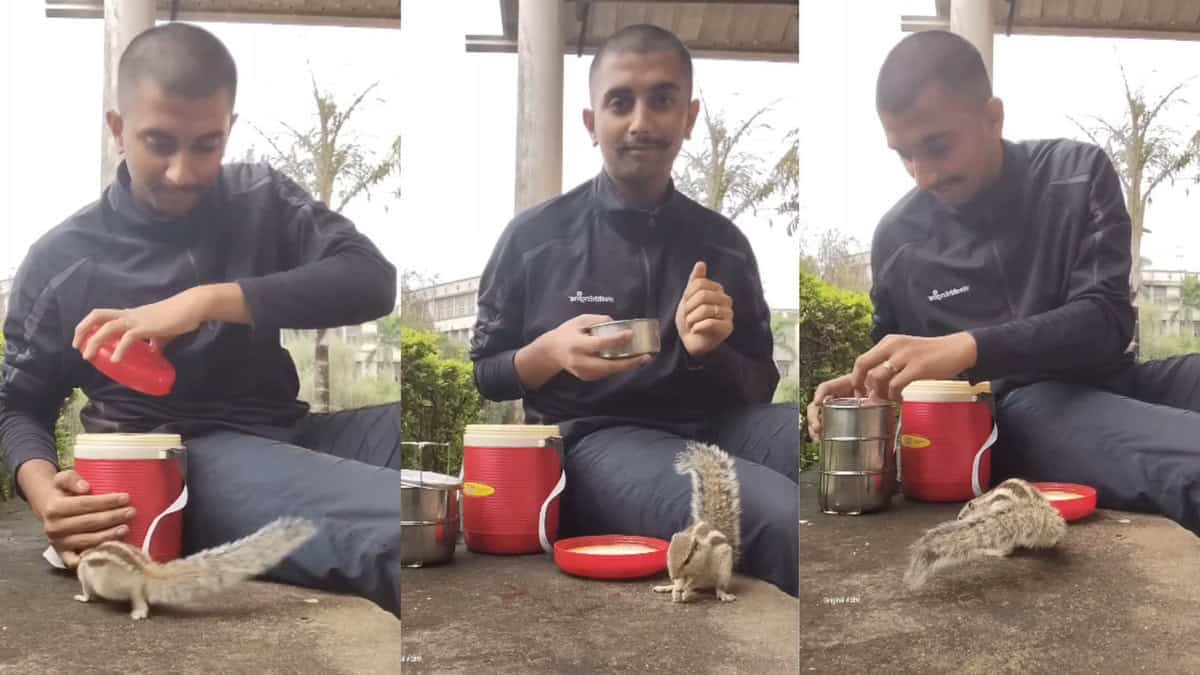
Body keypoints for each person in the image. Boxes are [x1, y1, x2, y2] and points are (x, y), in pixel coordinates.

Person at [0, 23, 401, 616]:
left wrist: (204, 301)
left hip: (287, 432)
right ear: (118, 129)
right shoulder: (64, 258)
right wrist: (41, 489)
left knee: (444, 479)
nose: (183, 171)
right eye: (159, 142)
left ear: (229, 129)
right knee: (392, 520)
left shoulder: (260, 197)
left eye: (206, 145)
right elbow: (17, 401)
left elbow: (372, 279)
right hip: (174, 461)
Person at [806, 30, 1200, 537]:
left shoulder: (1075, 174)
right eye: (904, 154)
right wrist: (861, 397)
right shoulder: (898, 238)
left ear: (993, 118)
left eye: (938, 146)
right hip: (1017, 414)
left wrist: (964, 347)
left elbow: (1105, 320)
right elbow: (895, 374)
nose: (922, 175)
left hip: (1116, 379)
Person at [469, 24, 799, 598]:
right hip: (595, 443)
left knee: (806, 460)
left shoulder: (723, 244)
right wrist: (547, 354)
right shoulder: (535, 238)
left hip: (720, 425)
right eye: (620, 102)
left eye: (662, 100)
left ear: (689, 117)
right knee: (777, 514)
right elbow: (486, 371)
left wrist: (709, 354)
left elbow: (760, 382)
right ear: (592, 122)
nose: (641, 122)